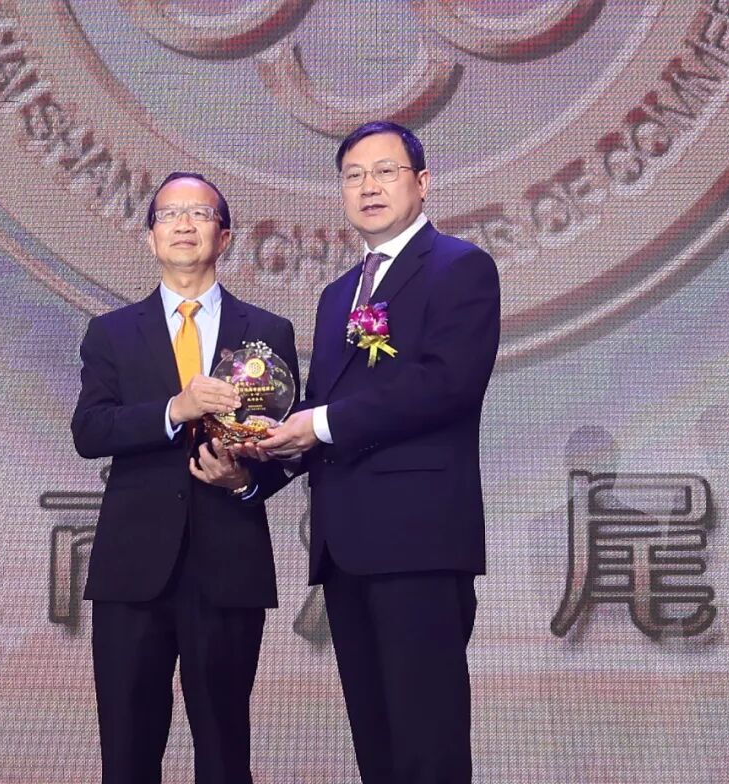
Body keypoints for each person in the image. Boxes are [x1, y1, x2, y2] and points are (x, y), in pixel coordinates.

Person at [254, 122, 500, 782]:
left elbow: (446, 384)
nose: (369, 186)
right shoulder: (338, 294)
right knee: (379, 746)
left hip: (418, 540)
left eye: (385, 171)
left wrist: (318, 424)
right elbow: (319, 408)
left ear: (422, 183)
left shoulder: (460, 267)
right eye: (354, 175)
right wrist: (252, 468)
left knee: (427, 744)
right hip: (345, 547)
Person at [70, 171, 299, 784]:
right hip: (132, 568)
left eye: (199, 213)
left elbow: (287, 445)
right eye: (169, 214)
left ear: (224, 237)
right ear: (150, 237)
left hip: (227, 563)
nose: (184, 224)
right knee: (128, 748)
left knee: (224, 750)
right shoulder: (112, 332)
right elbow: (90, 430)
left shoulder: (268, 332)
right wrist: (177, 408)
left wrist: (243, 482)